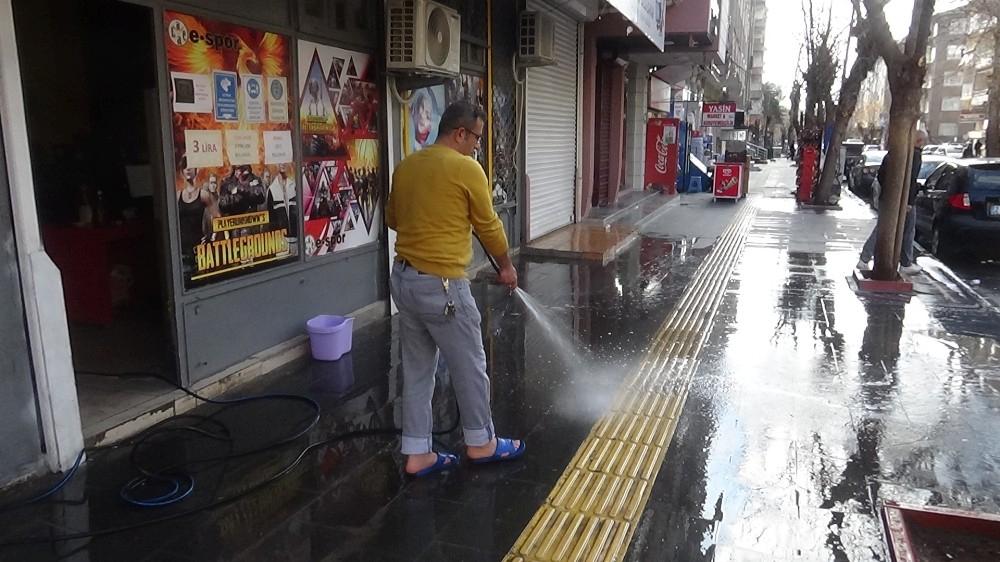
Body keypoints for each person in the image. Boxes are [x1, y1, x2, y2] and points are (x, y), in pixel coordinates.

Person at [386, 101, 522, 477]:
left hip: (404, 281)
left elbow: (394, 218)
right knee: (470, 366)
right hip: (443, 286)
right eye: (476, 138)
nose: (477, 146)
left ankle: (417, 453)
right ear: (460, 133)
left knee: (417, 370)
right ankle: (481, 443)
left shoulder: (407, 166)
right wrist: (506, 267)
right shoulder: (466, 168)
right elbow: (489, 226)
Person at [857, 129, 927, 275]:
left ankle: (865, 258)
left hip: (887, 197)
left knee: (883, 227)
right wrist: (909, 201)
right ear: (920, 141)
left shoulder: (893, 153)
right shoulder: (914, 155)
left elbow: (881, 175)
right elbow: (911, 180)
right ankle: (905, 262)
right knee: (907, 230)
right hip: (904, 199)